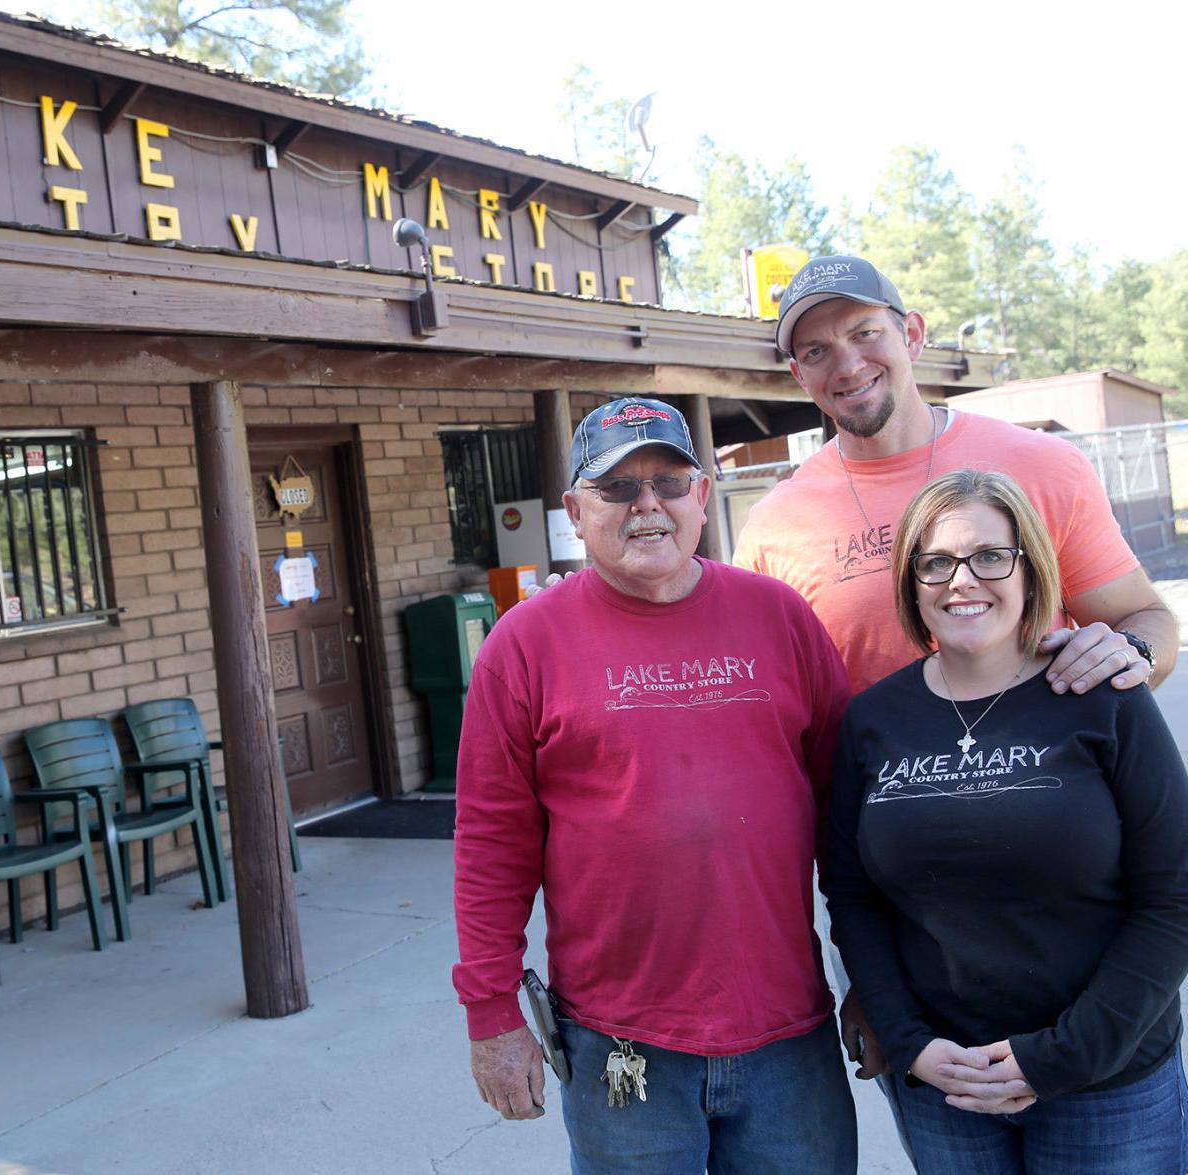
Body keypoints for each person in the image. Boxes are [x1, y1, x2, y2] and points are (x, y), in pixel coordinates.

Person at [733, 254, 1180, 1082]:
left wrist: (1127, 656)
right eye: (816, 350)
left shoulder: (1038, 467)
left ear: (911, 333)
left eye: (864, 332)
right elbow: (787, 742)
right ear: (797, 374)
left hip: (1065, 891)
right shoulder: (774, 526)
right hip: (905, 913)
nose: (846, 362)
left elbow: (1146, 619)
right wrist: (872, 986)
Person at [453, 396, 857, 1173]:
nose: (646, 504)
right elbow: (490, 846)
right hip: (619, 1043)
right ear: (575, 511)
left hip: (787, 1036)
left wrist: (871, 977)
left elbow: (849, 825)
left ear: (701, 495)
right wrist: (491, 1012)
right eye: (616, 487)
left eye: (668, 482)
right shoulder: (523, 644)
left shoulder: (779, 618)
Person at [825, 469, 1188, 1174]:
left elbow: (1172, 896)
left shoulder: (1103, 694)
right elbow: (853, 895)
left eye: (990, 556)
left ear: (1029, 569)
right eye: (936, 561)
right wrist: (909, 1043)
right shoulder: (872, 720)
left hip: (1105, 1082)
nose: (962, 579)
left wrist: (1062, 1056)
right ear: (911, 582)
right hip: (947, 1081)